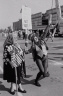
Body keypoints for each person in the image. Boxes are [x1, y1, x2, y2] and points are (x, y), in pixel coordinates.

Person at [3, 30, 26, 95]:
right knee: (14, 76)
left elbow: (20, 52)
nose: (16, 39)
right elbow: (5, 57)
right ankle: (13, 87)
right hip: (11, 63)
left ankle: (18, 87)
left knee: (18, 75)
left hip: (18, 62)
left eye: (16, 37)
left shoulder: (17, 45)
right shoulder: (7, 46)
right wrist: (11, 62)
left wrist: (23, 51)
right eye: (14, 38)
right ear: (11, 38)